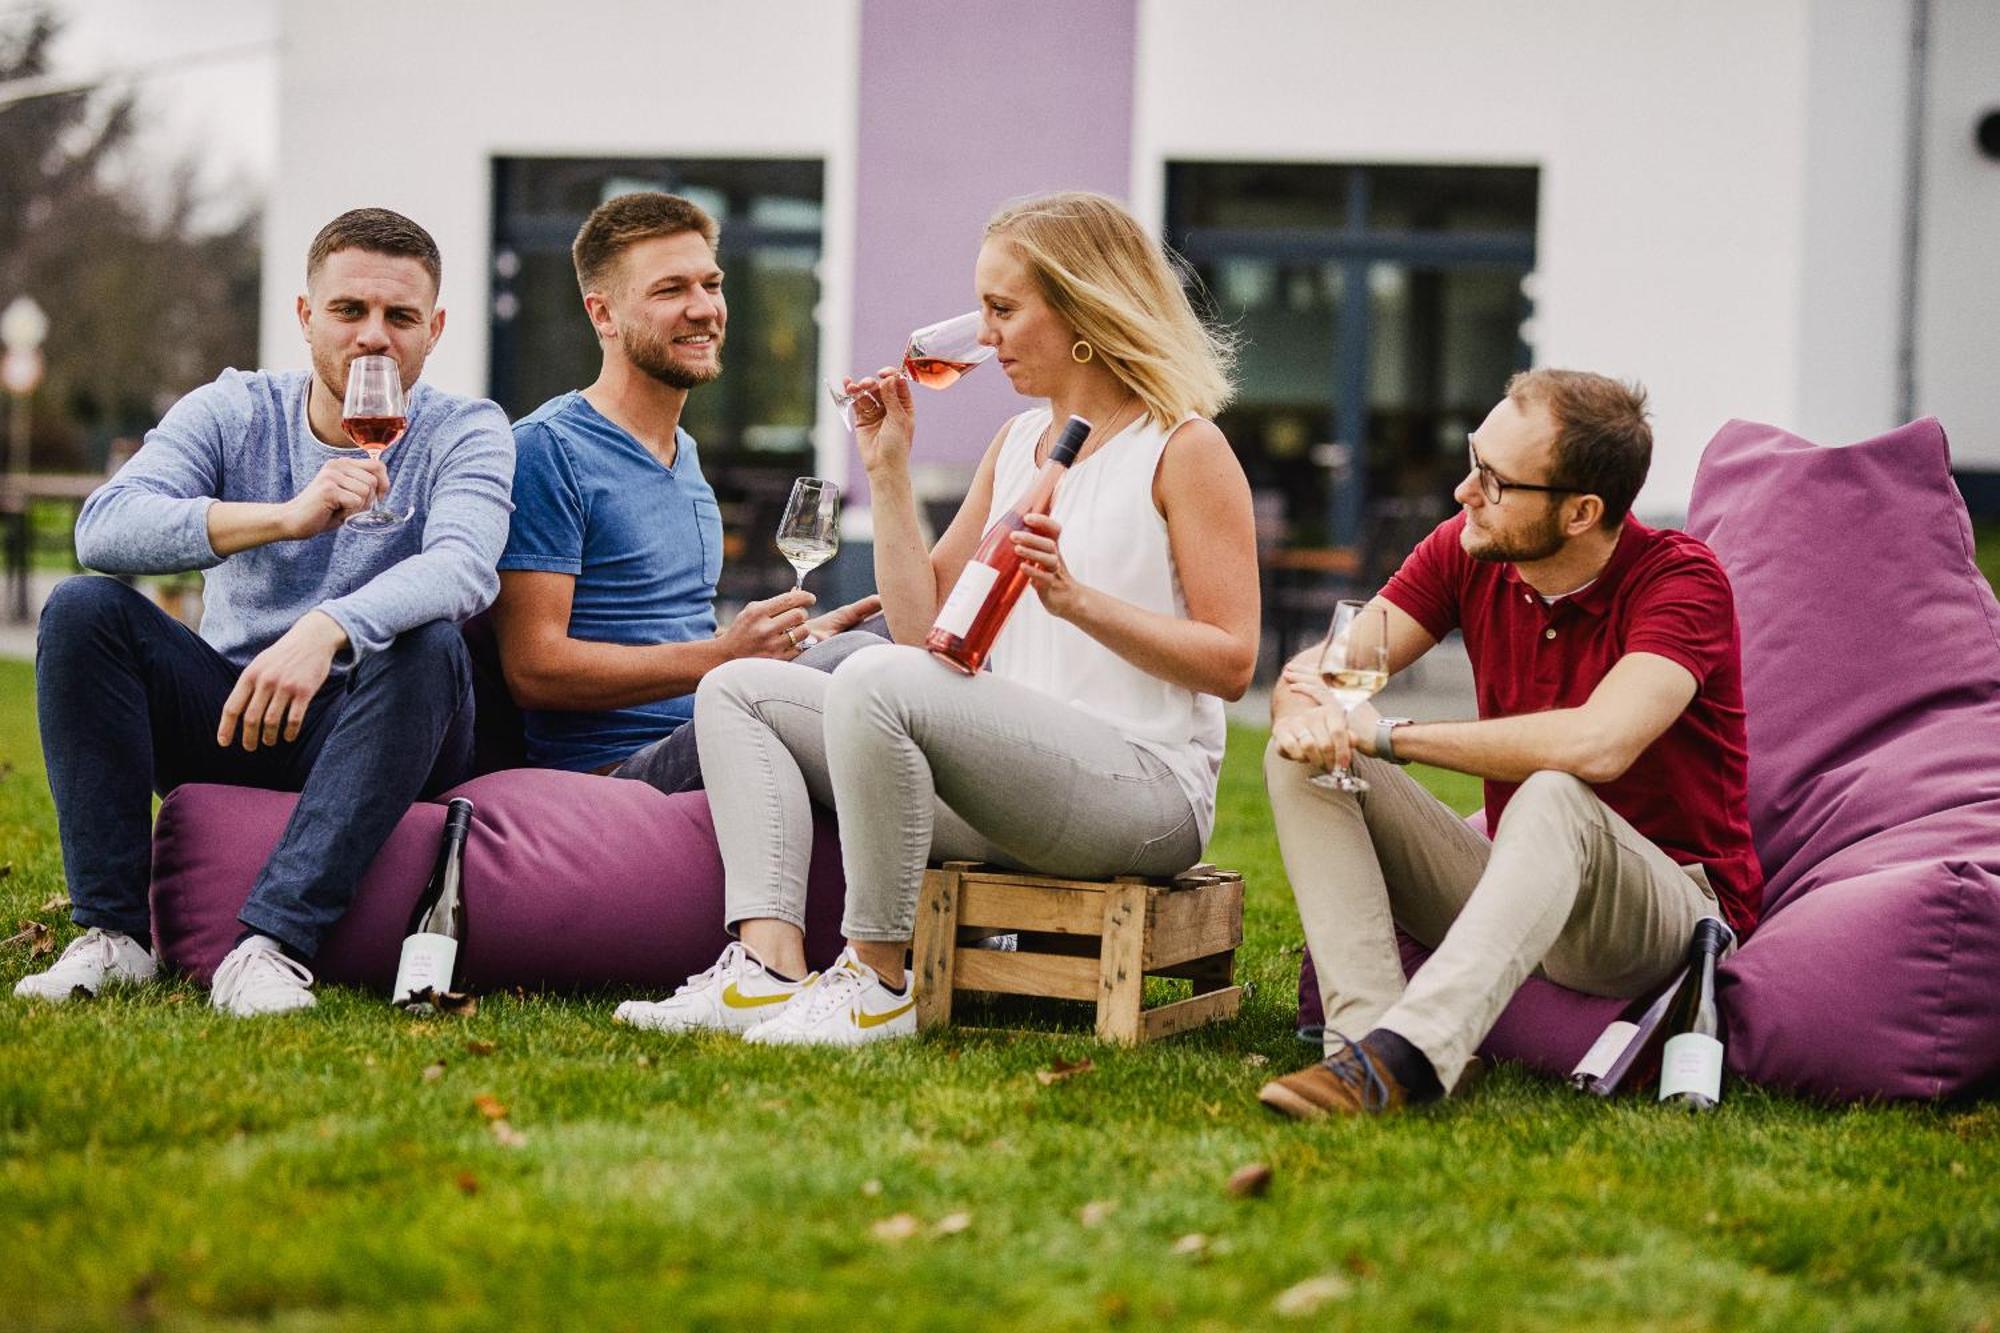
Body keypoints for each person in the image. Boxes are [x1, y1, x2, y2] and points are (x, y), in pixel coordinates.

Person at [614, 190, 1260, 1042]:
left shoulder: (1183, 447)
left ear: (1080, 309)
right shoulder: (1020, 443)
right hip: (1014, 783)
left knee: (876, 675)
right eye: (982, 308)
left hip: (1143, 794)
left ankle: (877, 981)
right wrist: (887, 471)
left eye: (1002, 309)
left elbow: (1233, 659)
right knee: (738, 690)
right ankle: (765, 968)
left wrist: (1079, 602)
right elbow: (925, 632)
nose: (984, 336)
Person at [15, 208, 515, 1016]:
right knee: (83, 610)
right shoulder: (236, 408)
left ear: (436, 328)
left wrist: (329, 627)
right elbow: (103, 527)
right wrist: (284, 516)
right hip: (236, 712)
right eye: (349, 311)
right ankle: (114, 935)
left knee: (429, 646)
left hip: (377, 722)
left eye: (401, 317)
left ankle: (272, 945)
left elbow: (463, 565)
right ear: (305, 316)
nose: (374, 338)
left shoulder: (468, 429)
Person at [1256, 369, 1762, 1119]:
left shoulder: (1680, 581)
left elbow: (1600, 744)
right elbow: (1324, 674)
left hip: (1663, 911)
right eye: (1473, 459)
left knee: (1557, 790)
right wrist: (1310, 710)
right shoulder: (1468, 549)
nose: (1464, 491)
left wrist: (1391, 734)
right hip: (1525, 881)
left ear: (1581, 511)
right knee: (1300, 756)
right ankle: (1360, 1049)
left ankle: (1418, 1051)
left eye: (1494, 481)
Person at [490, 191, 878, 792]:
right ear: (603, 315)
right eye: (671, 290)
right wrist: (726, 657)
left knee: (886, 640)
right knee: (864, 671)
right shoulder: (549, 449)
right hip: (621, 767)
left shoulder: (685, 452)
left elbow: (683, 641)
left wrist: (788, 650)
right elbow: (534, 669)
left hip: (711, 719)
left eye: (711, 284)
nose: (704, 309)